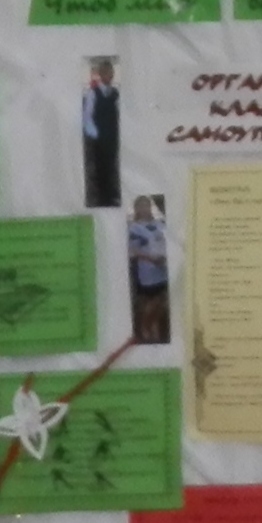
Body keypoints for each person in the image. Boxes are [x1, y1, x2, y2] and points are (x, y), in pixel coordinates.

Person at [126, 194, 172, 346]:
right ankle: (145, 328)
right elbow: (132, 251)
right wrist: (149, 258)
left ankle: (155, 327)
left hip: (162, 268)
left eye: (147, 205)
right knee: (150, 302)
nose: (144, 208)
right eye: (141, 206)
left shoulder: (159, 224)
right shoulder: (134, 228)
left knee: (162, 301)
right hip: (148, 270)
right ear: (136, 209)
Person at [80, 56, 121, 208]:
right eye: (107, 72)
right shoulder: (93, 93)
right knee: (100, 168)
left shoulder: (115, 93)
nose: (110, 76)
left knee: (113, 166)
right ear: (101, 74)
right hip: (100, 138)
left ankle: (112, 195)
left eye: (112, 73)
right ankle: (103, 199)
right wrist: (96, 135)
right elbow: (87, 117)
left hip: (114, 136)